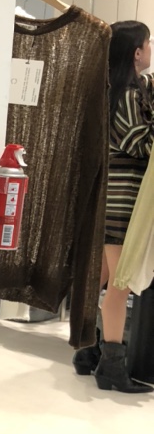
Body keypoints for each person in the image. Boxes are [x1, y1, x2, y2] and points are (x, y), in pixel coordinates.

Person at [73, 20, 153, 392]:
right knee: (119, 286)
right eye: (147, 44)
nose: (150, 50)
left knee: (101, 280)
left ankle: (86, 351)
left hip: (111, 194)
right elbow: (140, 144)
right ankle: (112, 367)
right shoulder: (129, 95)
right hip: (124, 199)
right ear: (136, 52)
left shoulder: (114, 89)